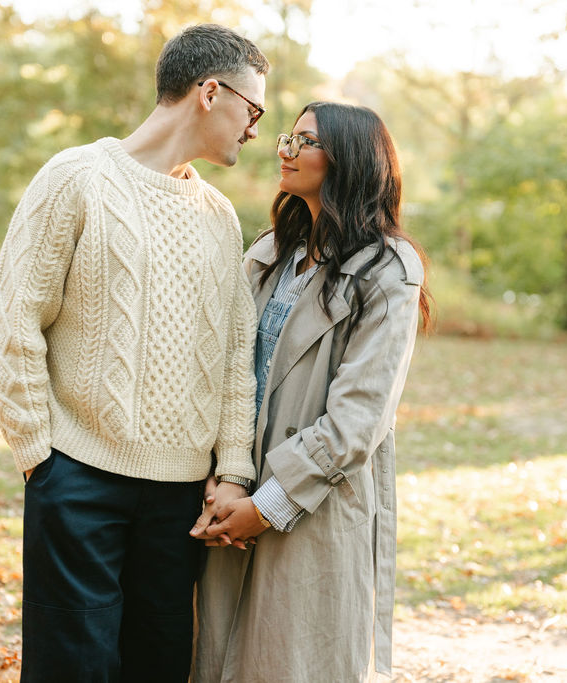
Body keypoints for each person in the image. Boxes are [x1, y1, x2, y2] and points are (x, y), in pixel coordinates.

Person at [0, 24, 269, 682]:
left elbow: (234, 357)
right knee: (72, 669)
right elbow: (12, 319)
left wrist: (232, 470)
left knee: (158, 667)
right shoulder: (75, 178)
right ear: (209, 93)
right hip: (76, 479)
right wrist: (40, 457)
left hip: (180, 504)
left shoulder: (220, 216)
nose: (255, 129)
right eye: (252, 110)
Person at [190, 102, 434, 682]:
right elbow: (224, 368)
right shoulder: (269, 253)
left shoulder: (387, 271)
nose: (285, 150)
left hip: (311, 505)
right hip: (229, 492)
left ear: (349, 160)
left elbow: (358, 422)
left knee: (292, 664)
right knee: (211, 661)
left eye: (306, 142)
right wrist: (225, 476)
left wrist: (265, 509)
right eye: (288, 137)